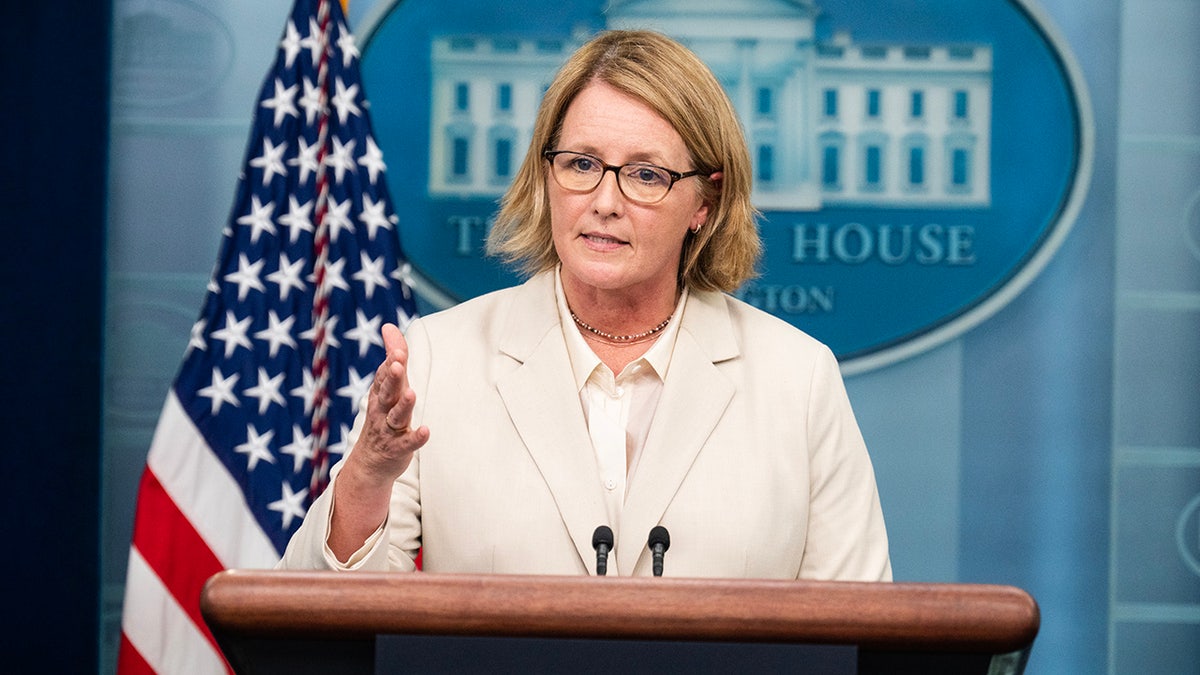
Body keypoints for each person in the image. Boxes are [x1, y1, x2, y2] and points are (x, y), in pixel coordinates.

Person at [280, 29, 891, 581]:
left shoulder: (798, 378)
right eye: (581, 164)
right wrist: (369, 473)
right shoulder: (443, 356)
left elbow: (859, 628)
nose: (604, 201)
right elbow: (330, 612)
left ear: (705, 202)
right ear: (546, 176)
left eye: (646, 175)